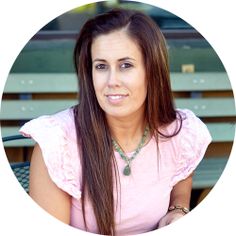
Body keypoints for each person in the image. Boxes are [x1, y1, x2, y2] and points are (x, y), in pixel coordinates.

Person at [20, 8, 212, 235]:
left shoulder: (177, 132)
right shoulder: (57, 143)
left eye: (126, 65)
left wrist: (177, 208)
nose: (112, 81)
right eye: (101, 66)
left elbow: (182, 174)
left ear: (152, 70)